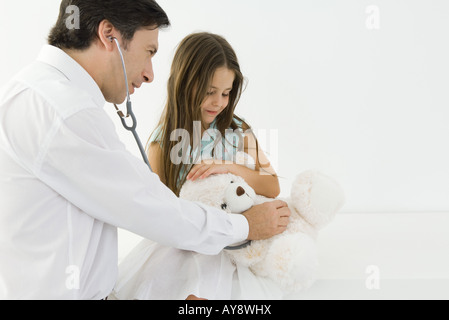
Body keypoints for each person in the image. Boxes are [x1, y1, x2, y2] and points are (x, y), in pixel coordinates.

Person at [0, 0, 290, 300]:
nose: (151, 74)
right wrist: (244, 225)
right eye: (149, 51)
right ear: (108, 34)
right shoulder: (65, 112)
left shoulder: (39, 94)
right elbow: (156, 210)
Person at [112, 33, 286, 300]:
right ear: (185, 85)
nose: (218, 102)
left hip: (234, 241)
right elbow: (165, 215)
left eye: (226, 93)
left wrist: (227, 167)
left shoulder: (238, 132)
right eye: (209, 92)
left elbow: (272, 185)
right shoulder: (162, 145)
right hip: (189, 240)